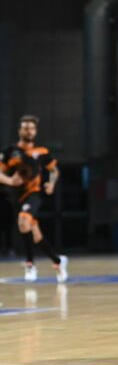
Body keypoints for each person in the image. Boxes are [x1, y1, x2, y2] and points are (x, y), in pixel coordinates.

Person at [0, 115, 67, 283]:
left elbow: (54, 171)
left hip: (34, 194)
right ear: (19, 130)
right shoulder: (9, 151)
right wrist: (9, 181)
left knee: (23, 221)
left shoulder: (42, 152)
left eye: (31, 128)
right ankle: (58, 261)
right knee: (35, 235)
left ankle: (30, 264)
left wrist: (51, 184)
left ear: (35, 131)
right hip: (16, 197)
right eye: (25, 128)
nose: (28, 131)